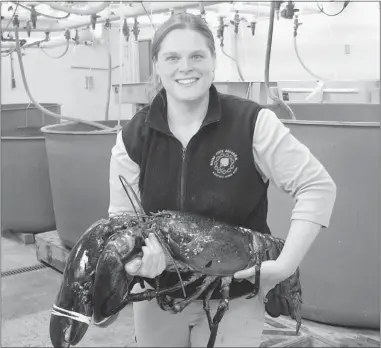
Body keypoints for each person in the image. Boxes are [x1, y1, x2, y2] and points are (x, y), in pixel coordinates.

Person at [108, 12, 336, 348]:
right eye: (172, 57)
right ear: (156, 64)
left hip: (237, 294)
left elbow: (317, 186)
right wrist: (137, 261)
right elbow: (121, 220)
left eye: (197, 56)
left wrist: (286, 264)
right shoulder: (132, 137)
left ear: (213, 61)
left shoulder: (253, 123)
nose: (186, 67)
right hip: (157, 291)